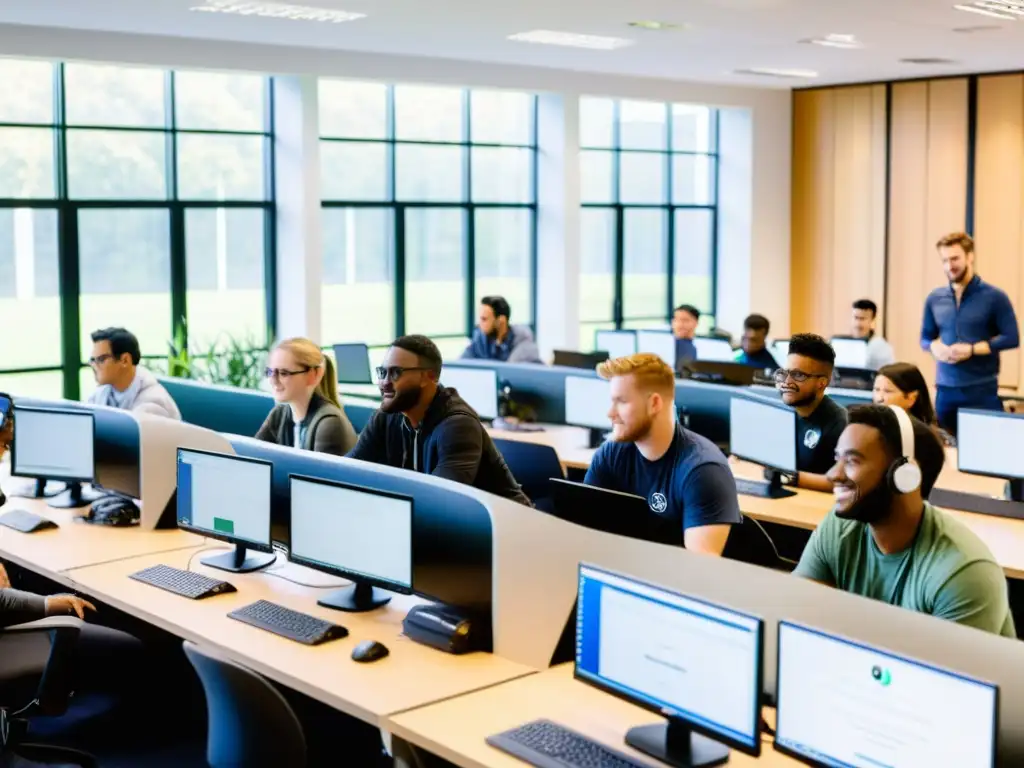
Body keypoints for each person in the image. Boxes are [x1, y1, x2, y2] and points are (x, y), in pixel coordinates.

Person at [794, 404, 1014, 638]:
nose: (833, 474)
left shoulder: (962, 572)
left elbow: (946, 672)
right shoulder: (839, 527)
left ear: (903, 476)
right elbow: (798, 617)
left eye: (852, 461)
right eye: (837, 459)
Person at [583, 354, 741, 555]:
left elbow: (700, 573)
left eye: (621, 402)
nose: (610, 413)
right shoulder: (611, 452)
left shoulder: (703, 470)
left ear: (654, 404)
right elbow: (584, 532)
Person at [348, 335, 532, 505]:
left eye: (396, 373)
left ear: (429, 377)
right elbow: (347, 471)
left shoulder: (458, 425)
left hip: (507, 529)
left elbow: (440, 502)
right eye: (382, 372)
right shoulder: (385, 417)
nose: (384, 382)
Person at [921, 232, 1019, 435]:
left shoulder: (995, 297)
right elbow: (925, 337)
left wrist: (973, 349)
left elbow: (1012, 337)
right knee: (946, 455)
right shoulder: (934, 298)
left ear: (970, 256)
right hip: (945, 391)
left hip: (981, 390)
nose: (950, 266)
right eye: (945, 260)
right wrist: (934, 347)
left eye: (955, 258)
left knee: (986, 453)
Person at [255, 337, 358, 456]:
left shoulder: (330, 424)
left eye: (283, 373)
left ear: (314, 375)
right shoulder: (279, 414)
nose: (273, 380)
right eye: (270, 372)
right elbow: (254, 459)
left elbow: (318, 474)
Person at [775, 333, 847, 492]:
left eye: (798, 375)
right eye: (785, 373)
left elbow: (841, 481)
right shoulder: (780, 412)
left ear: (822, 383)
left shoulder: (840, 423)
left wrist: (787, 476)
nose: (787, 382)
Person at [87, 327, 181, 420]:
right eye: (92, 360)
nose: (93, 365)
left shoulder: (154, 404)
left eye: (101, 359)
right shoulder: (99, 395)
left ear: (125, 360)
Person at [461, 296, 542, 364]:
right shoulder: (481, 336)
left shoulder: (522, 339)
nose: (479, 324)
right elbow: (461, 364)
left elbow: (510, 373)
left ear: (501, 321)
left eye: (484, 319)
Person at [850, 298, 895, 370]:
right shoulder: (843, 344)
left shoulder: (881, 347)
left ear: (872, 320)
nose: (858, 323)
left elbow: (889, 375)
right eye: (855, 318)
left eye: (862, 319)